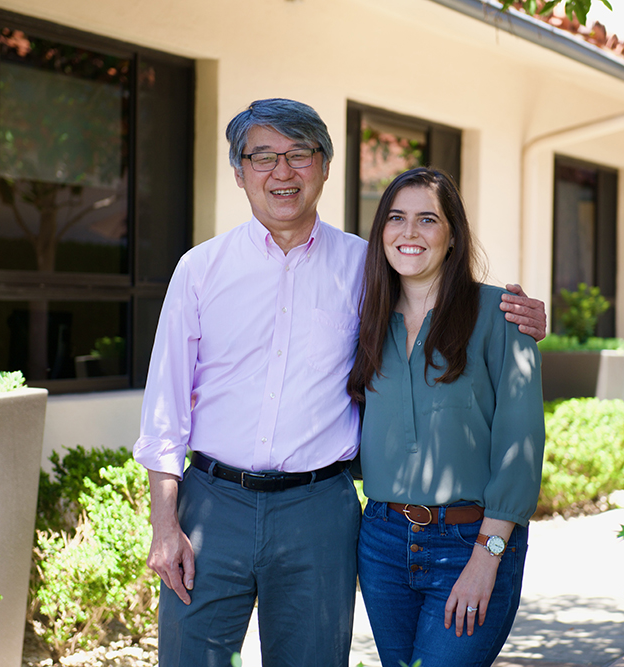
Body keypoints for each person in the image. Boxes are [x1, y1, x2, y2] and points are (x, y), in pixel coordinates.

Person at [132, 98, 545, 667]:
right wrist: (163, 524)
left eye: (299, 155)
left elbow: (444, 303)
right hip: (212, 504)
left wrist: (522, 318)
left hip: (318, 510)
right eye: (262, 157)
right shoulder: (199, 269)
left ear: (325, 166)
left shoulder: (366, 268)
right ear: (238, 172)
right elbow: (165, 407)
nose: (282, 172)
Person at [349, 167, 545, 667]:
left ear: (453, 235)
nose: (409, 232)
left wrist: (487, 556)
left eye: (427, 220)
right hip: (383, 542)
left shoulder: (502, 315)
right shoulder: (363, 317)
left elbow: (521, 447)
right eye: (396, 217)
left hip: (469, 539)